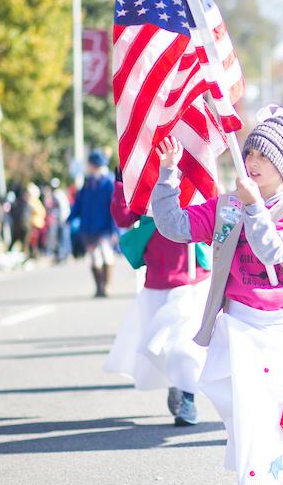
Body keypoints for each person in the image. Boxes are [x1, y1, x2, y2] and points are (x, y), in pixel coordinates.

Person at [151, 108, 283, 485]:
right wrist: (168, 174)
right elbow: (175, 226)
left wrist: (254, 207)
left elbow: (273, 251)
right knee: (250, 416)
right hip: (240, 325)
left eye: (263, 157)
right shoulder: (228, 204)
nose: (251, 161)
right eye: (250, 153)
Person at [105, 176, 211, 426]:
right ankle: (177, 383)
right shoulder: (144, 175)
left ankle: (188, 399)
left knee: (186, 346)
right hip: (157, 280)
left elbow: (212, 212)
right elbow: (123, 218)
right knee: (161, 347)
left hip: (192, 278)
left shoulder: (195, 170)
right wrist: (121, 184)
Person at [73, 152, 117, 297]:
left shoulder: (109, 182)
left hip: (105, 227)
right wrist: (70, 218)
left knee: (106, 254)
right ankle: (99, 287)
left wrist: (115, 229)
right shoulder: (87, 182)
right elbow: (79, 203)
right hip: (89, 227)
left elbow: (115, 207)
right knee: (94, 257)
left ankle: (107, 286)